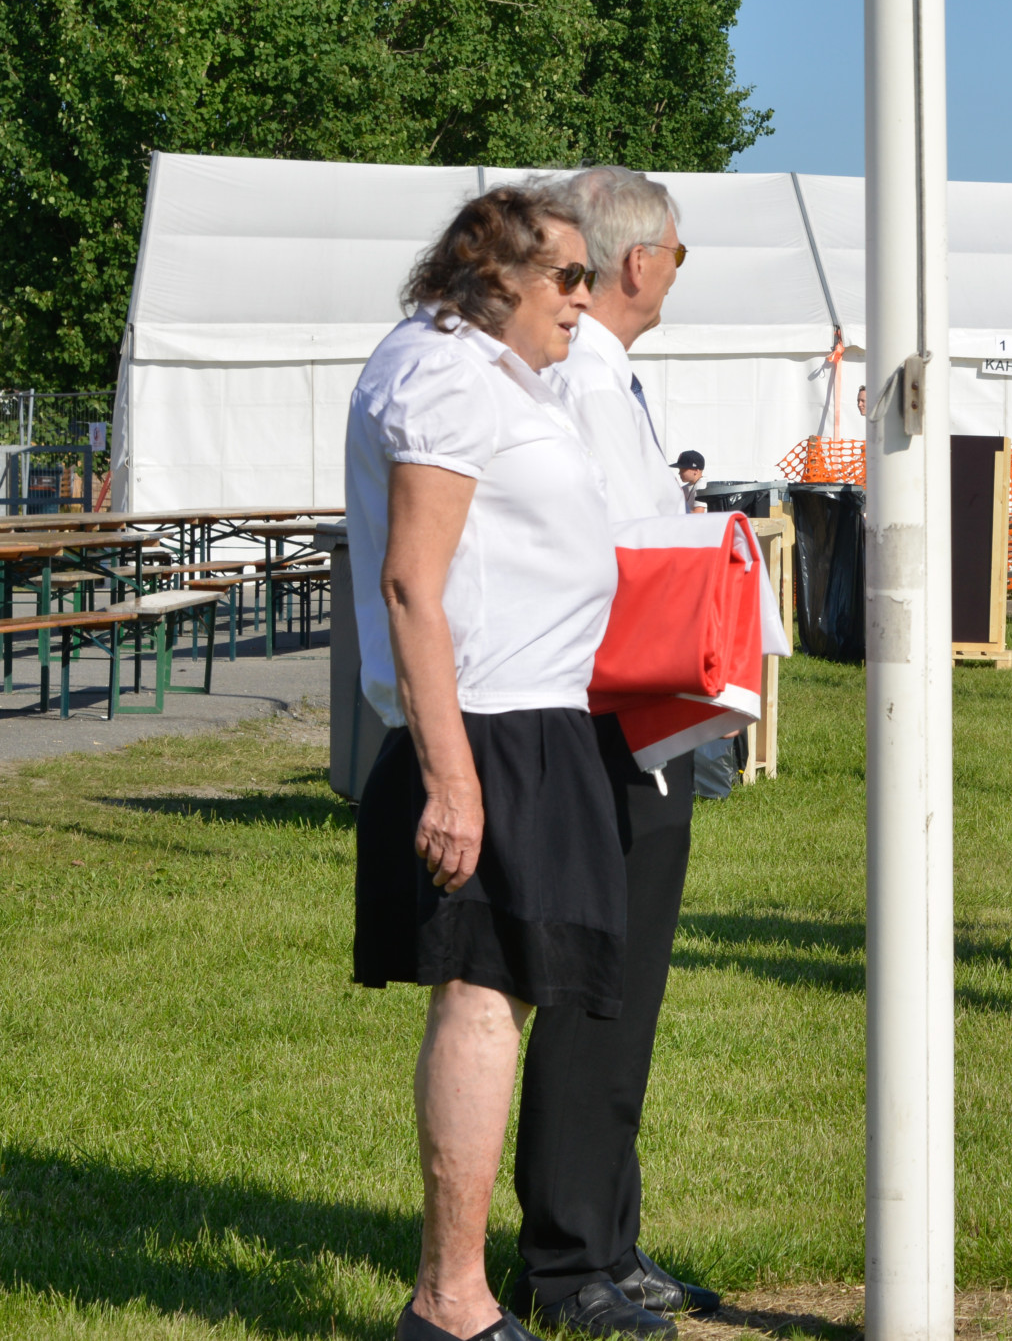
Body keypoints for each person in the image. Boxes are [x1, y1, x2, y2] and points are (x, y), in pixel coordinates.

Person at [346, 187, 619, 1341]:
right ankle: (450, 1299)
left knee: (501, 994)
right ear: (498, 273)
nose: (584, 297)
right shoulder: (447, 373)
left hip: (524, 716)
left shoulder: (487, 369)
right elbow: (414, 581)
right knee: (479, 995)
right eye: (568, 275)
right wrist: (455, 780)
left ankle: (456, 1293)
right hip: (488, 723)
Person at [522, 166, 720, 1334]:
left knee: (624, 990)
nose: (676, 274)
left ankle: (607, 1234)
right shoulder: (586, 381)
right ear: (638, 262)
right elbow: (613, 551)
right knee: (601, 986)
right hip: (616, 710)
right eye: (678, 254)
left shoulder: (599, 374)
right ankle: (569, 1255)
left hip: (636, 708)